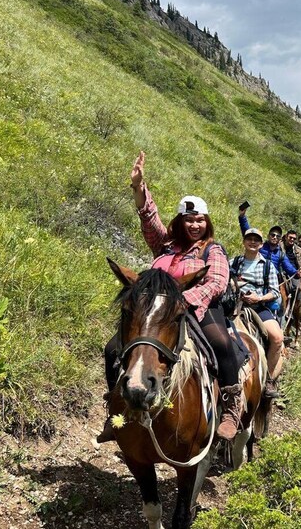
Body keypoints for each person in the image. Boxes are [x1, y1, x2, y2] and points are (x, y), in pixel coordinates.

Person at [98, 151, 244, 443]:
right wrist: (140, 187)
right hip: (158, 311)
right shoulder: (166, 245)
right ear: (180, 221)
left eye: (200, 220)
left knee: (222, 344)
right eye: (189, 220)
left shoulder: (211, 250)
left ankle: (230, 408)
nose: (194, 225)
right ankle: (116, 408)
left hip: (197, 308)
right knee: (114, 349)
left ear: (207, 223)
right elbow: (149, 220)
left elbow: (216, 281)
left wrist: (185, 300)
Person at [231, 228, 284, 398]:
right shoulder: (234, 262)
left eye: (256, 240)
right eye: (249, 239)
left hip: (258, 307)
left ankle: (268, 379)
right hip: (235, 305)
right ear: (244, 241)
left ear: (261, 244)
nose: (252, 242)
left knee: (277, 337)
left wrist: (259, 298)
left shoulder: (268, 265)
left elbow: (275, 291)